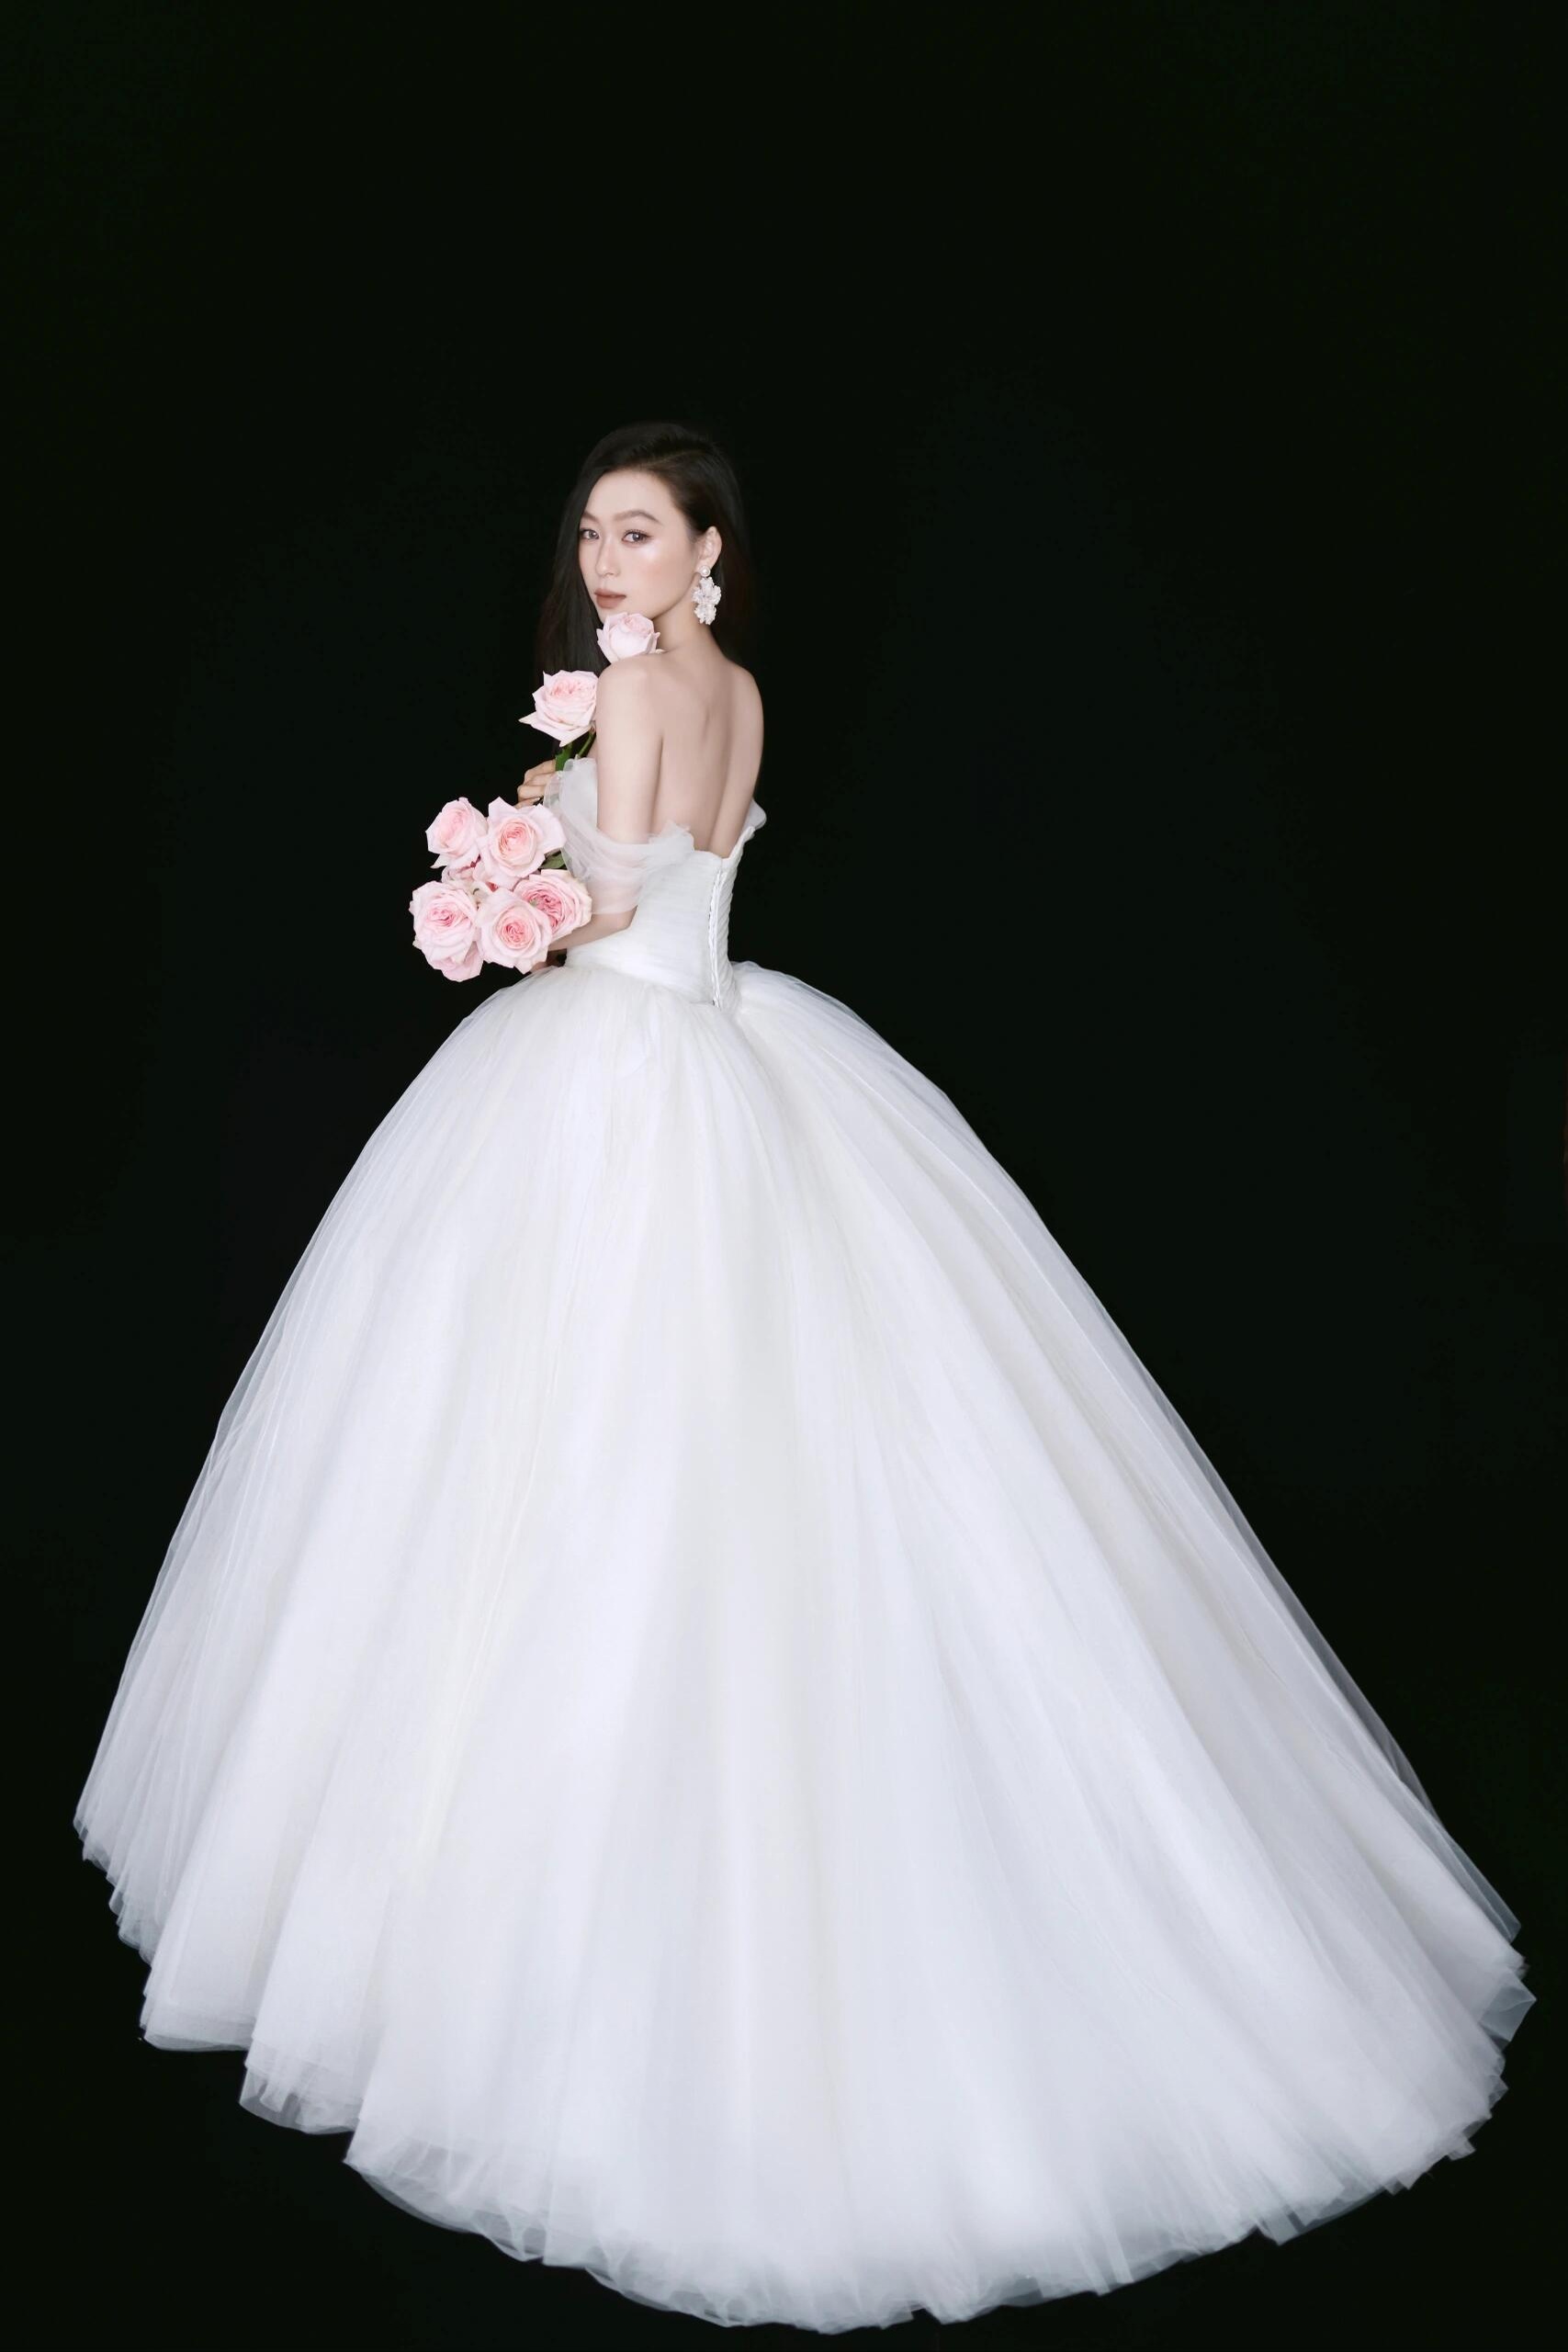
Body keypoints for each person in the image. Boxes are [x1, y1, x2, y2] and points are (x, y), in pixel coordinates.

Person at [74, 419, 1533, 2334]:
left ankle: (535, 1946)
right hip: (727, 1048)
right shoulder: (739, 692)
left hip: (614, 1070)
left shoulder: (639, 691)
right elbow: (694, 872)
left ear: (706, 553)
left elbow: (619, 904)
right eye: (592, 534)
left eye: (638, 533)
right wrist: (545, 841)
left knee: (566, 1473)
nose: (604, 561)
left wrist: (507, 871)